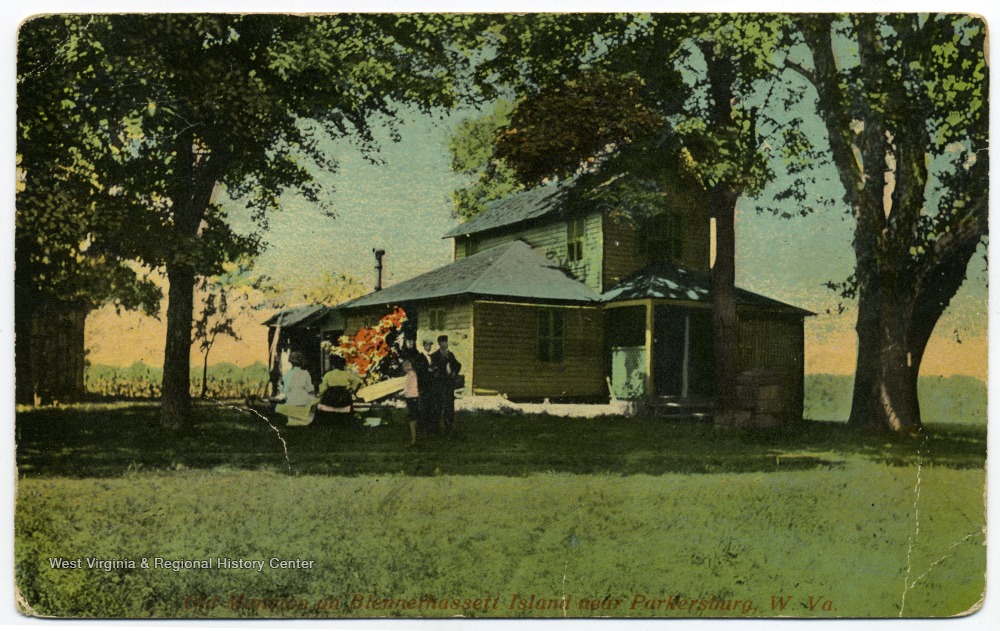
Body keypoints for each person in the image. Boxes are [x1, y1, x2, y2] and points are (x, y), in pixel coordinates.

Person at [314, 355, 363, 426]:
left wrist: (318, 396)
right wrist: (352, 390)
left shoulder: (328, 375)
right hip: (343, 398)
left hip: (330, 398)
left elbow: (323, 389)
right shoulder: (347, 374)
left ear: (332, 365)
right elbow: (358, 381)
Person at [430, 335, 462, 434]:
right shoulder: (434, 356)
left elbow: (458, 365)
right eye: (444, 342)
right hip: (438, 385)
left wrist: (454, 373)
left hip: (448, 385)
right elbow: (431, 369)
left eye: (446, 342)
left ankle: (449, 429)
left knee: (449, 407)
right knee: (437, 407)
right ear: (440, 344)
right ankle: (435, 429)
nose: (446, 344)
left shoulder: (450, 355)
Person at [274, 351, 315, 426]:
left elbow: (285, 392)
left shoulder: (287, 374)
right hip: (303, 402)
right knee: (314, 399)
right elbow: (310, 389)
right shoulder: (305, 373)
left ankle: (294, 419)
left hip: (291, 403)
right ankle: (303, 418)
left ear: (290, 362)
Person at [412, 339, 437, 436]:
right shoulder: (420, 357)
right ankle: (422, 429)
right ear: (424, 346)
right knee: (423, 408)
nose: (429, 347)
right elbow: (418, 370)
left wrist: (433, 369)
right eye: (427, 345)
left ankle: (429, 429)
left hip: (431, 386)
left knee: (430, 407)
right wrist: (427, 370)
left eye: (430, 345)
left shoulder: (431, 357)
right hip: (423, 386)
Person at [401, 359, 419, 446]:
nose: (404, 368)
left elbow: (411, 388)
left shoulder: (411, 375)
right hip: (411, 398)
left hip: (412, 398)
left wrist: (402, 393)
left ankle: (413, 441)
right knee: (413, 419)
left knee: (412, 420)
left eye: (405, 366)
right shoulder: (409, 375)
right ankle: (414, 439)